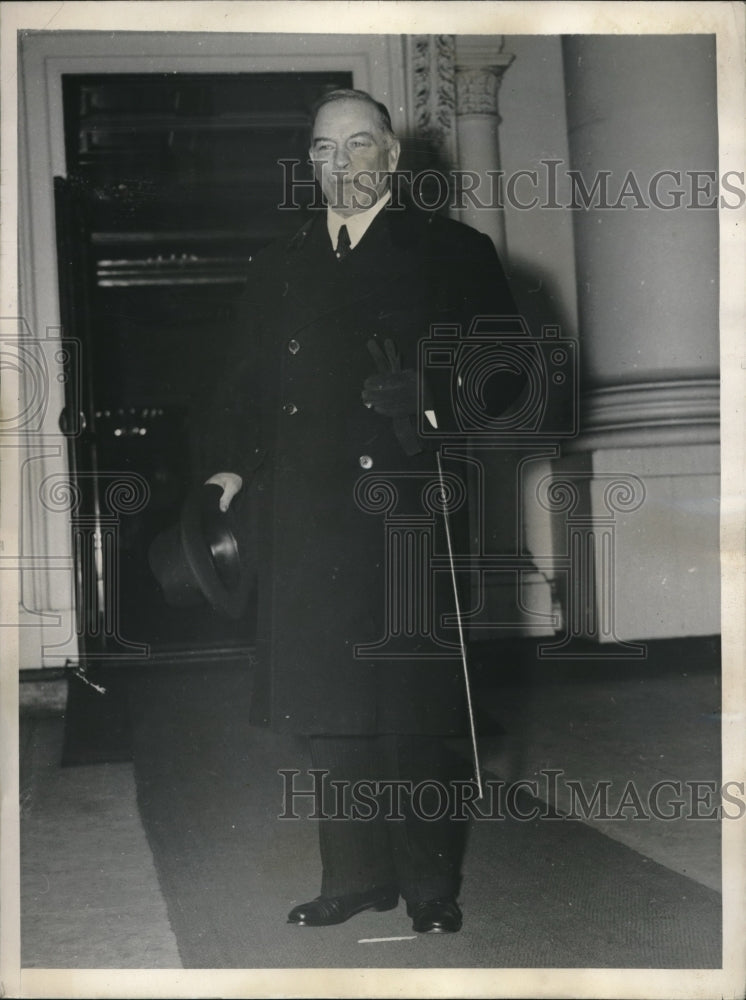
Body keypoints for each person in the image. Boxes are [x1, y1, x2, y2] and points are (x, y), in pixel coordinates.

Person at [203, 89, 518, 934]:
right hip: (303, 515)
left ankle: (427, 887)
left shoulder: (452, 252)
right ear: (307, 164)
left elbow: (514, 379)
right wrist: (224, 476)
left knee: (409, 710)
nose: (340, 162)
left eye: (357, 143)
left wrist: (433, 396)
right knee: (329, 713)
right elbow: (241, 392)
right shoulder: (278, 265)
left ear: (392, 155)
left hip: (403, 515)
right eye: (321, 148)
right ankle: (354, 877)